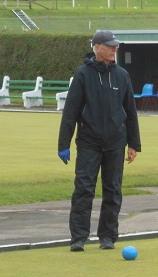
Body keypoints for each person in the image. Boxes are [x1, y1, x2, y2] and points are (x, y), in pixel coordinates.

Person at [58, 30, 142, 252]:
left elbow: (130, 112)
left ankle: (107, 236)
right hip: (88, 142)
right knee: (84, 189)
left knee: (113, 190)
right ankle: (78, 238)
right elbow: (71, 111)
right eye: (110, 46)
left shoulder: (122, 75)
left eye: (116, 46)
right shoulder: (83, 74)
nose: (115, 49)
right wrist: (63, 144)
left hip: (116, 142)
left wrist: (134, 144)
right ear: (97, 47)